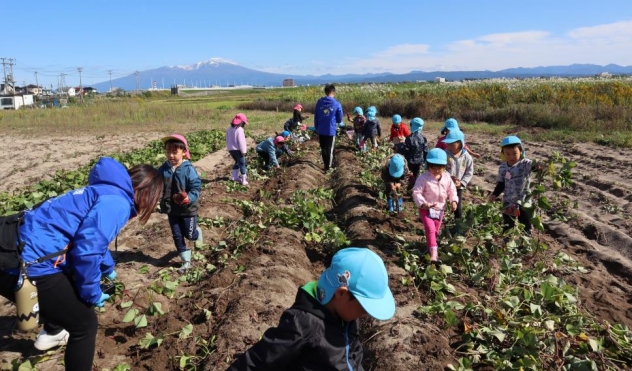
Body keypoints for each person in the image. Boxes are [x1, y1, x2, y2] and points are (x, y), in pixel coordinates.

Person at [0, 157, 163, 371]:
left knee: (65, 289)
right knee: (84, 324)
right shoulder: (118, 203)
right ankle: (55, 331)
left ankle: (53, 331)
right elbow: (87, 252)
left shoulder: (102, 191)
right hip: (24, 261)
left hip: (8, 240)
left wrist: (107, 268)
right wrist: (92, 293)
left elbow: (86, 238)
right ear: (147, 193)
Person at [226, 247, 396, 370]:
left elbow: (354, 355)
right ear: (341, 294)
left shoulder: (347, 318)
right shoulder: (303, 323)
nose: (365, 313)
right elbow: (261, 359)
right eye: (364, 307)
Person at [158, 134, 203, 272]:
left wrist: (189, 197)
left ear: (184, 152)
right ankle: (186, 261)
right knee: (177, 235)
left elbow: (196, 187)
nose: (170, 155)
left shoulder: (188, 169)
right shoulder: (163, 169)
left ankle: (197, 232)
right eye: (167, 151)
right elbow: (157, 184)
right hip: (171, 209)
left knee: (189, 234)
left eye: (174, 152)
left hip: (187, 209)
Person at [412, 149, 458, 266]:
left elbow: (451, 190)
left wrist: (453, 201)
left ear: (444, 166)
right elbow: (416, 192)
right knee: (430, 229)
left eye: (440, 167)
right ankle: (434, 255)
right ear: (428, 165)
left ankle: (429, 247)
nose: (436, 170)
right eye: (433, 167)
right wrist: (423, 203)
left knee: (435, 231)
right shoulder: (423, 178)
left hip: (440, 209)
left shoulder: (447, 177)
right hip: (425, 209)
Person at [489, 136, 538, 235]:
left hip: (524, 201)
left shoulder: (525, 164)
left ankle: (525, 244)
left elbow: (534, 167)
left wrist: (538, 166)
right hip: (509, 201)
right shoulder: (503, 167)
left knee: (525, 224)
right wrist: (495, 194)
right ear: (503, 154)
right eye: (508, 154)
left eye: (514, 153)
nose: (511, 156)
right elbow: (501, 183)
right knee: (507, 225)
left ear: (521, 151)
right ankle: (507, 243)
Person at [442, 128, 474, 233]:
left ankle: (458, 226)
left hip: (458, 187)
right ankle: (438, 223)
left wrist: (462, 182)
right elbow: (441, 169)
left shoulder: (467, 157)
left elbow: (469, 171)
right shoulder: (445, 155)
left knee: (458, 207)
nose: (449, 147)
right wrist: (448, 177)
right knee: (441, 204)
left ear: (460, 143)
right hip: (444, 185)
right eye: (448, 144)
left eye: (452, 144)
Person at [314, 84, 344, 172]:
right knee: (329, 149)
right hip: (330, 129)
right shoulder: (336, 103)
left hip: (321, 129)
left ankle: (325, 165)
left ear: (325, 92)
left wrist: (317, 127)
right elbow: (339, 118)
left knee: (323, 148)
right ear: (333, 92)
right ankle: (328, 167)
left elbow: (316, 115)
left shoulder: (319, 102)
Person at [402, 117, 429, 189]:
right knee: (416, 176)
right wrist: (426, 161)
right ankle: (415, 190)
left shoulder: (409, 138)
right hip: (419, 161)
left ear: (412, 126)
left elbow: (406, 150)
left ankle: (405, 188)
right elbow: (426, 150)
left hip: (409, 161)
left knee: (405, 175)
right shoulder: (423, 138)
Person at [226, 113, 249, 186]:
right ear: (241, 122)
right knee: (242, 163)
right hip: (238, 149)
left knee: (237, 162)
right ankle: (244, 180)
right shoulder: (240, 130)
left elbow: (227, 139)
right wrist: (243, 151)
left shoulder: (229, 129)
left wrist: (229, 148)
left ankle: (235, 176)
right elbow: (241, 141)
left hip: (231, 149)